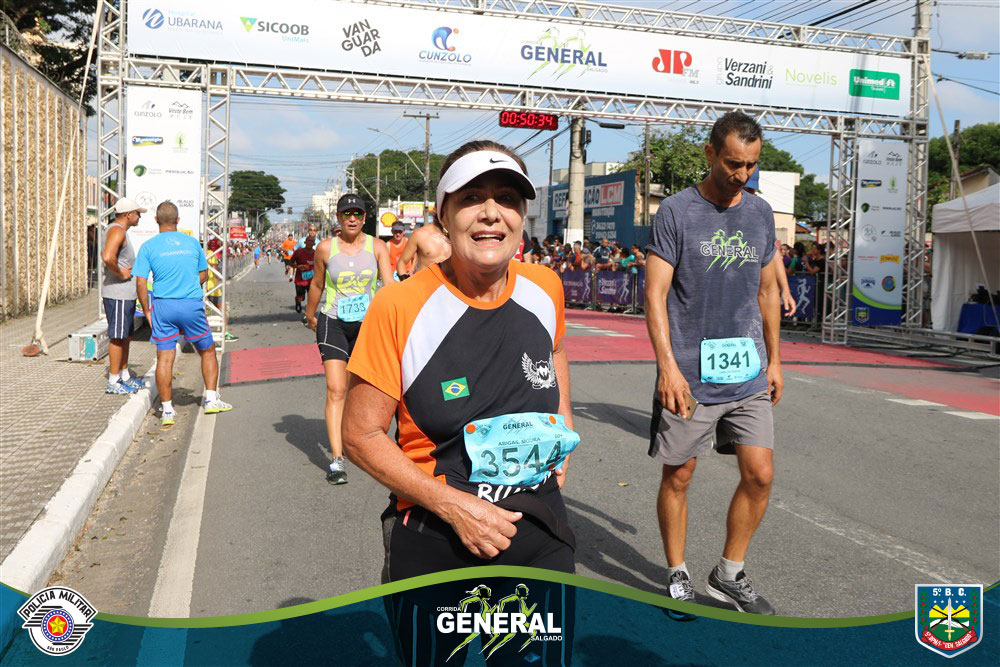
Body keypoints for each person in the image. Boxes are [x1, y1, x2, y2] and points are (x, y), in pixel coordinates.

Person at [342, 140, 577, 664]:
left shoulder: (545, 287)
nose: (491, 213)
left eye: (507, 199)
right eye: (472, 198)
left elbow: (555, 349)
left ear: (522, 216)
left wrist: (564, 422)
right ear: (443, 216)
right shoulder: (399, 306)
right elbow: (359, 435)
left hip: (538, 533)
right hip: (438, 539)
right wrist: (454, 506)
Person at [644, 111, 783, 617]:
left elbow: (767, 291)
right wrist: (667, 367)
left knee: (760, 474)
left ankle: (728, 573)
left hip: (747, 370)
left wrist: (775, 360)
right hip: (689, 373)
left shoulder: (760, 213)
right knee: (680, 476)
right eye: (732, 163)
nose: (741, 174)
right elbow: (655, 294)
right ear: (710, 153)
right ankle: (677, 571)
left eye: (750, 165)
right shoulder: (676, 212)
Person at [306, 193, 394, 485]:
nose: (352, 218)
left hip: (367, 326)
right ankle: (337, 459)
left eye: (357, 213)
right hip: (333, 322)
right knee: (336, 388)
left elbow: (388, 285)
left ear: (365, 218)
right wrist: (310, 314)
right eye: (346, 214)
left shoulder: (377, 247)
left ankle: (361, 438)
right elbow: (317, 283)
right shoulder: (326, 248)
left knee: (364, 389)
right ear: (339, 218)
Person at [133, 202, 233, 426]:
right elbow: (204, 275)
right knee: (207, 351)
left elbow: (140, 282)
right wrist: (187, 285)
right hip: (190, 305)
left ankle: (167, 411)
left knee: (164, 358)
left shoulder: (148, 247)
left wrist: (147, 310)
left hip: (163, 307)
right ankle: (211, 399)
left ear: (156, 220)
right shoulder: (192, 243)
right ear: (178, 220)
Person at [101, 197, 147, 394]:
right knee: (118, 337)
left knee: (126, 336)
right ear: (129, 215)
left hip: (125, 295)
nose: (139, 217)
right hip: (117, 294)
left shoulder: (120, 231)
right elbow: (107, 256)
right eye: (138, 214)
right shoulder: (117, 231)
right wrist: (120, 274)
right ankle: (113, 381)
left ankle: (124, 375)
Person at [291, 237, 316, 314]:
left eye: (312, 241)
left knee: (311, 297)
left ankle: (308, 313)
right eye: (308, 241)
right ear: (305, 242)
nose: (310, 242)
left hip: (312, 280)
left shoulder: (316, 253)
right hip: (300, 279)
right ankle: (298, 301)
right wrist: (298, 266)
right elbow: (291, 262)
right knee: (301, 297)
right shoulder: (298, 252)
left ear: (314, 243)